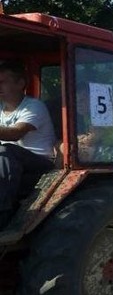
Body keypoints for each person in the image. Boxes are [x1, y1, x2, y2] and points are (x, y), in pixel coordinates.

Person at [0, 60, 57, 226]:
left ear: (20, 84)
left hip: (39, 163)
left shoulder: (34, 107)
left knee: (6, 149)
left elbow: (15, 134)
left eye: (2, 82)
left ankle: (2, 215)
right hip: (10, 162)